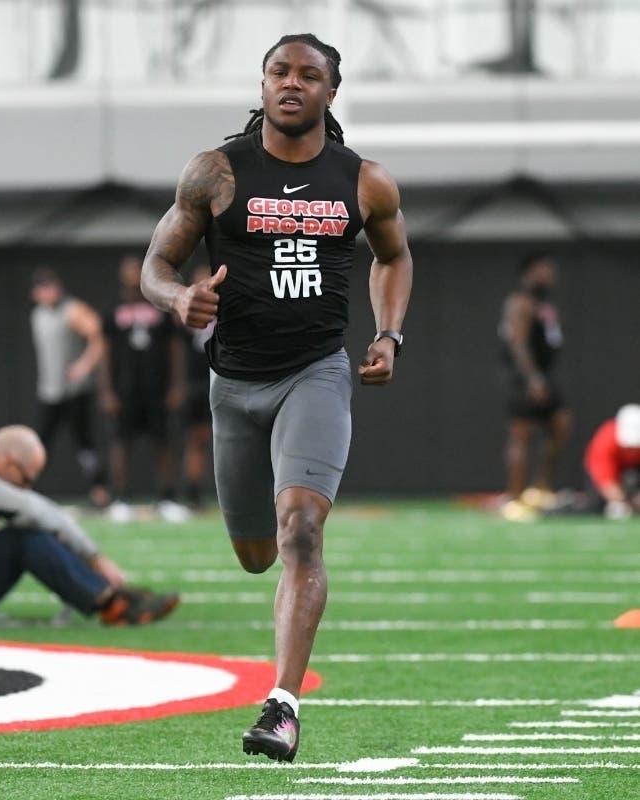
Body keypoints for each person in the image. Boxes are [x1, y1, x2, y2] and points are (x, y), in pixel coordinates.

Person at [139, 33, 413, 762]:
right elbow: (157, 264)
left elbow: (393, 255)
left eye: (308, 75)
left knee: (301, 531)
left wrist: (388, 336)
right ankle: (272, 600)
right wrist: (178, 299)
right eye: (278, 72)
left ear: (331, 91)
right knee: (258, 553)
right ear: (262, 86)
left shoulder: (364, 181)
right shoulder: (217, 173)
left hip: (315, 373)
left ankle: (283, 706)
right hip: (234, 382)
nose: (291, 84)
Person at [0, 425, 180, 626]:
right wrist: (95, 557)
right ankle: (111, 604)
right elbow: (39, 510)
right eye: (26, 478)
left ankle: (108, 596)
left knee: (25, 532)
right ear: (6, 462)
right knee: (23, 538)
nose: (26, 488)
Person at [100, 255, 188, 523]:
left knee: (162, 443)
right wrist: (107, 391)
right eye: (128, 271)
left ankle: (167, 498)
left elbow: (175, 350)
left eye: (137, 270)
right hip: (125, 388)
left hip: (157, 387)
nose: (132, 275)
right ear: (121, 276)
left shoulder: (160, 308)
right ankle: (120, 499)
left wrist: (176, 385)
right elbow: (104, 354)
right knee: (121, 444)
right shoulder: (113, 309)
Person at [29, 268, 110, 508]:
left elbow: (99, 334)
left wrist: (84, 365)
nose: (48, 291)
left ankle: (100, 490)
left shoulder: (72, 310)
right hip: (49, 391)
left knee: (85, 444)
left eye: (51, 285)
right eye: (43, 287)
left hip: (75, 391)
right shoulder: (38, 315)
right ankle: (27, 487)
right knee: (40, 444)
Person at [498, 253, 570, 522]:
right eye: (545, 269)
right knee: (521, 435)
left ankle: (540, 488)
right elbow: (517, 343)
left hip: (545, 374)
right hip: (525, 379)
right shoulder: (520, 301)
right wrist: (533, 378)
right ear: (530, 271)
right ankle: (514, 499)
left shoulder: (544, 303)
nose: (551, 274)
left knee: (561, 424)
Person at [180, 264, 216, 511]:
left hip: (223, 377)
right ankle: (193, 494)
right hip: (196, 381)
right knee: (196, 440)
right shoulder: (186, 310)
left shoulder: (227, 306)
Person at [583, 404, 640, 520]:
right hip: (613, 472)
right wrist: (626, 502)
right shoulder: (605, 440)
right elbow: (605, 482)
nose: (632, 451)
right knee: (595, 505)